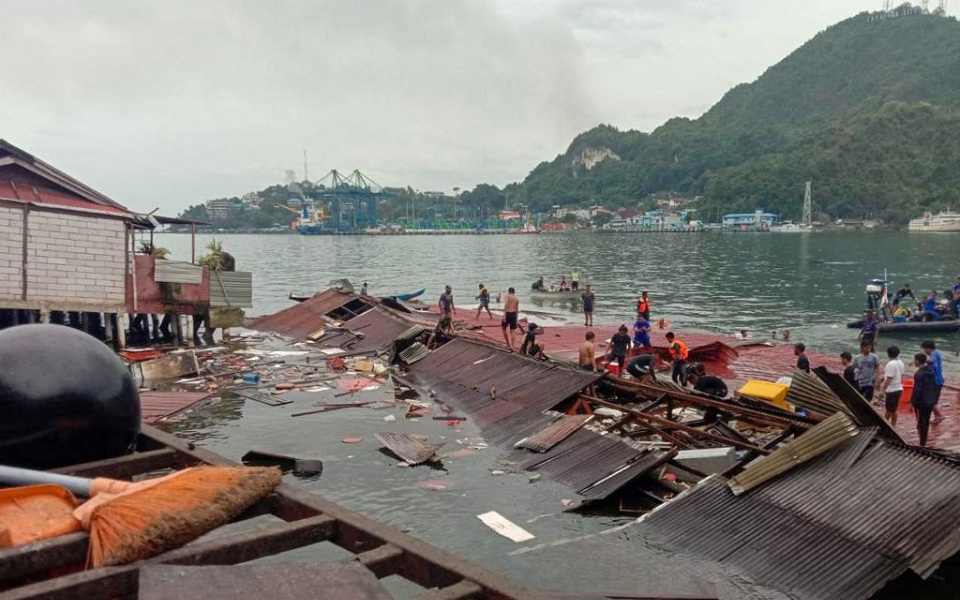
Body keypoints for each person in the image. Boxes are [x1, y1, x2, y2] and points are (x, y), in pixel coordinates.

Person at [912, 352, 939, 447]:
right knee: (926, 422)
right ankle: (924, 442)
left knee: (921, 423)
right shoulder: (931, 371)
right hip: (930, 401)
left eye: (915, 360)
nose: (914, 362)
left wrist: (913, 402)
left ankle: (922, 444)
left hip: (921, 402)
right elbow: (935, 386)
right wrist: (934, 400)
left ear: (918, 361)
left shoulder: (918, 374)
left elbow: (917, 390)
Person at [880, 345, 905, 427]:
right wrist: (882, 379)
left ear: (888, 354)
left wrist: (883, 390)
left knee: (889, 410)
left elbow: (889, 378)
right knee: (893, 409)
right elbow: (901, 376)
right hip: (899, 388)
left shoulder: (891, 364)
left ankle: (885, 425)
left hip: (892, 390)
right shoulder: (901, 362)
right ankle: (892, 425)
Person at [921, 340, 945, 423]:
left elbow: (931, 361)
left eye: (925, 349)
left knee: (930, 400)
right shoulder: (936, 353)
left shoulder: (934, 354)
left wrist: (920, 360)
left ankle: (939, 416)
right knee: (933, 400)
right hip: (938, 380)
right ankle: (937, 416)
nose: (924, 351)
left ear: (928, 348)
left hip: (935, 380)